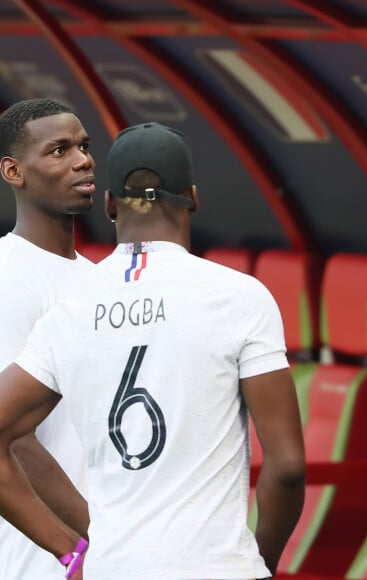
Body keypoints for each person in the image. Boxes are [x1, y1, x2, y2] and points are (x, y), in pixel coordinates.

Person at [0, 121, 306, 579]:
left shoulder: (71, 310)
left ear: (108, 205)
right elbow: (286, 468)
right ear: (194, 199)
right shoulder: (241, 297)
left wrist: (69, 551)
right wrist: (262, 562)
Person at [0, 98, 94, 579]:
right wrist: (89, 542)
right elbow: (13, 439)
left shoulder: (101, 280)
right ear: (14, 171)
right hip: (46, 560)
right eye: (59, 150)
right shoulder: (8, 277)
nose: (82, 159)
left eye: (83, 145)